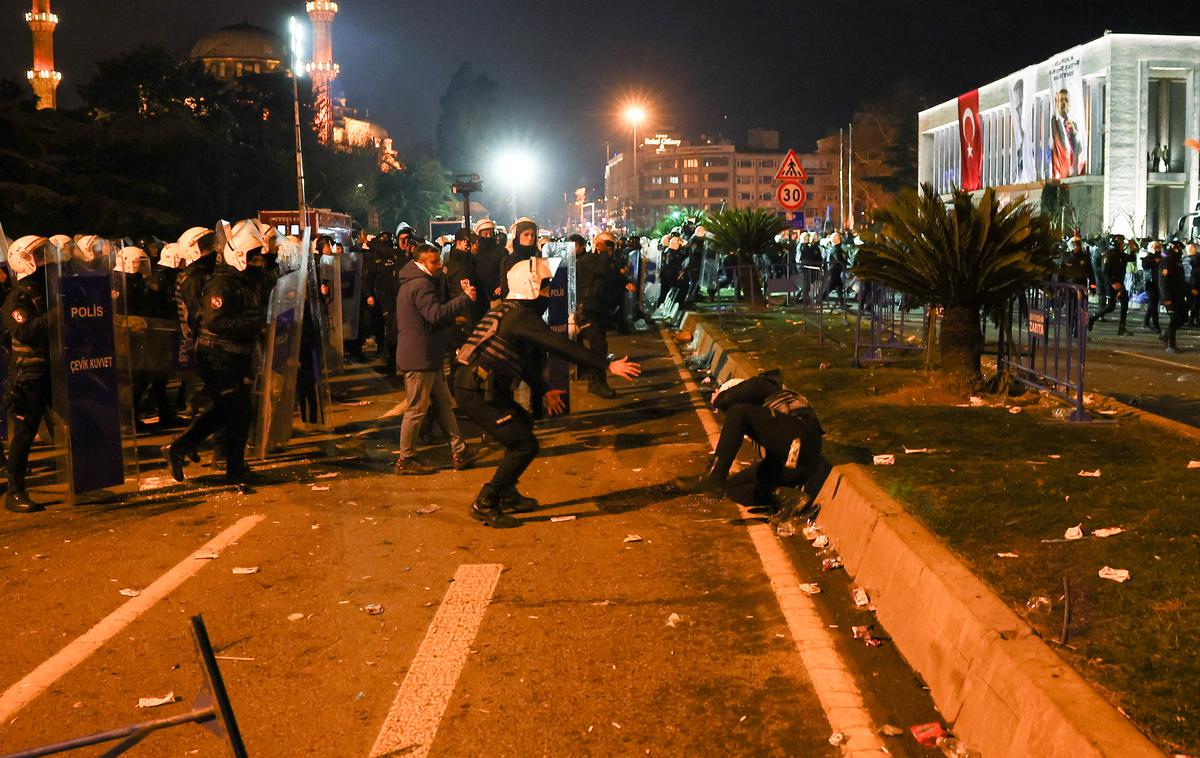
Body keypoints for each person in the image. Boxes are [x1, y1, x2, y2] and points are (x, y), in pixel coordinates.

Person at [453, 257, 642, 527]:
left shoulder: (509, 310)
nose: (548, 292)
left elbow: (524, 360)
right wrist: (607, 365)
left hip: (481, 386)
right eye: (544, 286)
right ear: (529, 286)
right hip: (474, 389)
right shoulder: (520, 316)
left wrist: (545, 390)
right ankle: (486, 501)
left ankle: (507, 493)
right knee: (524, 444)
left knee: (523, 426)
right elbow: (559, 345)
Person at [164, 220, 267, 485]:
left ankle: (185, 448)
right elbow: (215, 321)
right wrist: (256, 325)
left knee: (228, 411)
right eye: (254, 259)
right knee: (238, 411)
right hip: (218, 358)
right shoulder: (221, 284)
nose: (259, 264)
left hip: (231, 357)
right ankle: (229, 465)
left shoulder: (239, 281)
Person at [676, 369, 827, 526]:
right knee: (733, 487)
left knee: (737, 412)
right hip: (793, 464)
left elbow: (736, 396)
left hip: (800, 439)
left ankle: (714, 478)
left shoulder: (767, 386)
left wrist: (718, 399)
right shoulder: (766, 421)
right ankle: (787, 498)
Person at [394, 242, 477, 474]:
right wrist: (464, 299)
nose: (439, 266)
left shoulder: (414, 282)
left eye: (439, 260)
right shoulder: (421, 285)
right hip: (420, 356)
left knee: (443, 405)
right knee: (416, 409)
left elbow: (425, 318)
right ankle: (406, 458)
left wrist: (451, 319)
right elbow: (434, 314)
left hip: (426, 355)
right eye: (434, 262)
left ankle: (460, 450)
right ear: (421, 263)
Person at [2, 236, 53, 513]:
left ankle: (86, 477)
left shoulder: (45, 290)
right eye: (39, 254)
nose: (44, 259)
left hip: (51, 370)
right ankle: (15, 491)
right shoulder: (16, 298)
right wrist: (56, 315)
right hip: (28, 374)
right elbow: (24, 331)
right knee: (24, 433)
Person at [575, 232, 621, 398]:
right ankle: (596, 383)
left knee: (600, 346)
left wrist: (627, 282)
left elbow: (614, 278)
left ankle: (597, 382)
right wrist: (602, 253)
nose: (609, 248)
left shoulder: (607, 260)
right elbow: (601, 271)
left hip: (599, 310)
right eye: (606, 243)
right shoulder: (588, 260)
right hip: (586, 309)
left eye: (611, 245)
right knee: (598, 345)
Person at [1087, 235, 1131, 335]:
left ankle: (1121, 327)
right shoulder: (1110, 255)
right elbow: (1105, 271)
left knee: (1118, 304)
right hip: (1112, 284)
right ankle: (1093, 319)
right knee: (1113, 305)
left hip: (1119, 283)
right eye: (1121, 243)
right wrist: (1113, 283)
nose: (1123, 245)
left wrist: (1132, 248)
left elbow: (1131, 258)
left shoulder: (1120, 254)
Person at [1159, 240, 1189, 353]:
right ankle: (1170, 344)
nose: (1180, 252)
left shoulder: (1177, 262)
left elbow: (1180, 280)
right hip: (1170, 297)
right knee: (1174, 319)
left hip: (1179, 296)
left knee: (1183, 318)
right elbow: (1163, 283)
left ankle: (1166, 335)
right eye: (1178, 249)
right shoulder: (1166, 262)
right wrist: (1166, 299)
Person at [473, 218, 505, 310]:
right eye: (485, 234)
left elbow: (506, 269)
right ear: (479, 235)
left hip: (496, 296)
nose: (488, 236)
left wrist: (501, 285)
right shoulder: (475, 251)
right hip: (479, 295)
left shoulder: (500, 250)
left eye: (490, 233)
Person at [1140, 240, 1162, 333]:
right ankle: (1155, 324)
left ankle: (1146, 322)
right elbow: (1145, 265)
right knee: (1153, 303)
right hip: (1150, 283)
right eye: (1156, 247)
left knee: (1153, 303)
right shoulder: (1148, 258)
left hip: (1157, 283)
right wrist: (1154, 260)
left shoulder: (1160, 257)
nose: (1158, 249)